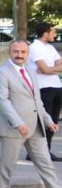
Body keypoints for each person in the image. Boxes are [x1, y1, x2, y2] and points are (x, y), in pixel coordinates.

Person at [0, 39, 62, 188]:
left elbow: (36, 100)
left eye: (23, 52)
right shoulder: (2, 72)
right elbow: (3, 101)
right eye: (16, 51)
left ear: (27, 54)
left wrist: (48, 121)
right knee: (7, 165)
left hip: (36, 126)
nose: (19, 55)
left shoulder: (31, 71)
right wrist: (18, 123)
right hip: (13, 128)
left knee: (46, 164)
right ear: (10, 52)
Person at [28, 22, 62, 158]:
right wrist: (50, 69)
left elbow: (55, 65)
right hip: (43, 88)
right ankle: (38, 152)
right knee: (43, 121)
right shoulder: (34, 48)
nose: (55, 34)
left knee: (53, 120)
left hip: (56, 86)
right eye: (53, 32)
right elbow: (44, 69)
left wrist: (49, 70)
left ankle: (46, 150)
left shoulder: (50, 48)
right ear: (45, 33)